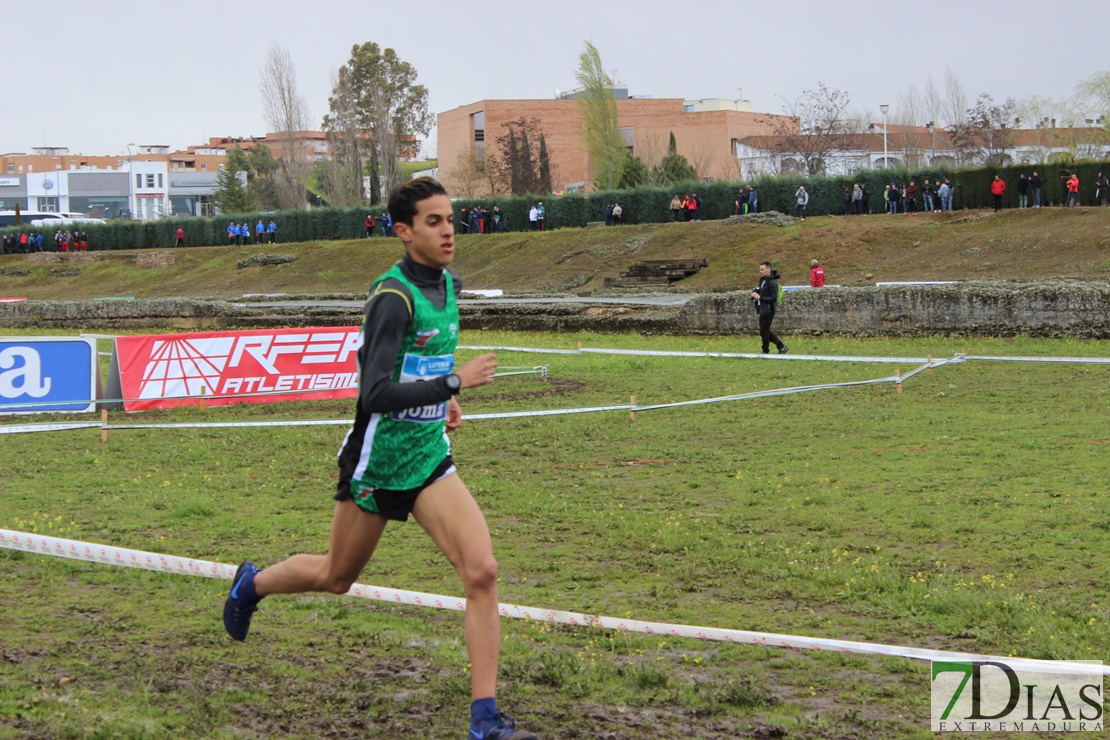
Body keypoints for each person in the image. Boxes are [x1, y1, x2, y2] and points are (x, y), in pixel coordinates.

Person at [222, 178, 536, 740]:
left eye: (450, 220)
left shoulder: (448, 285)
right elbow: (375, 394)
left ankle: (485, 721)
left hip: (428, 459)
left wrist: (448, 399)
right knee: (336, 576)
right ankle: (253, 583)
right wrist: (454, 381)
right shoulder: (392, 300)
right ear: (404, 231)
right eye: (434, 222)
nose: (448, 232)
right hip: (376, 464)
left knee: (482, 571)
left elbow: (428, 358)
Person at [749, 261, 787, 354]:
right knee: (764, 331)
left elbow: (773, 298)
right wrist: (755, 292)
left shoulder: (773, 282)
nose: (760, 271)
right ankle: (780, 347)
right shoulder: (763, 280)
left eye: (762, 269)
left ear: (768, 270)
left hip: (769, 309)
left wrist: (760, 297)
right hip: (762, 308)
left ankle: (767, 350)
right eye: (760, 269)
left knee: (764, 331)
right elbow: (760, 290)